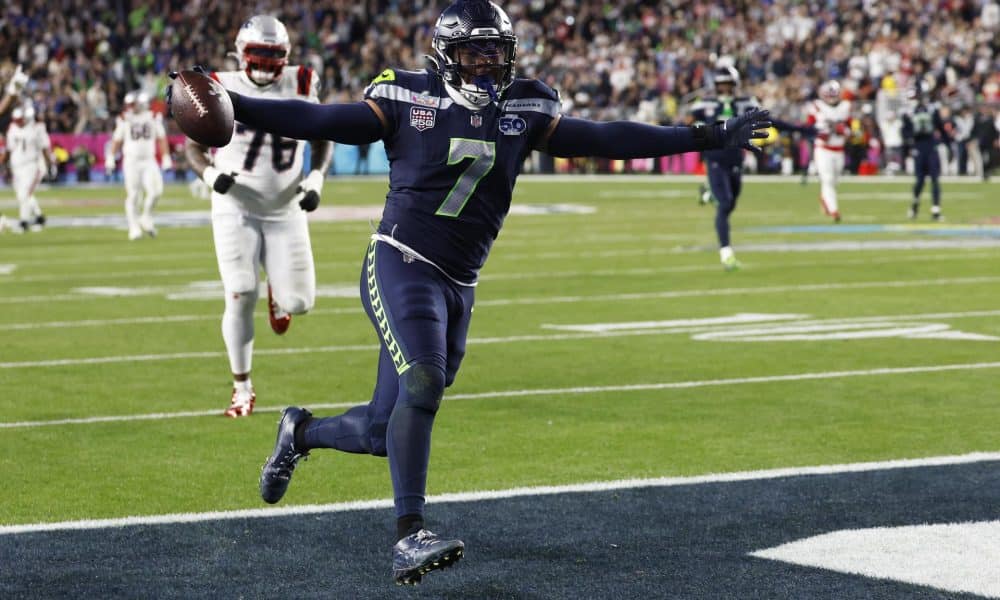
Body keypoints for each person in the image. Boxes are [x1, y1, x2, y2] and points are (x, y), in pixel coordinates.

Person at [170, 0, 770, 584]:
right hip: (401, 260)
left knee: (384, 430)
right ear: (446, 56)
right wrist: (238, 105)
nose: (485, 63)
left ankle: (299, 431)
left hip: (461, 281)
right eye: (473, 52)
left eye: (493, 52)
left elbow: (606, 137)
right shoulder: (407, 97)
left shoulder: (526, 106)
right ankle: (410, 534)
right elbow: (323, 121)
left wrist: (708, 136)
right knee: (423, 382)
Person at [183, 15, 332, 418]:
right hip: (236, 205)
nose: (266, 66)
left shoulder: (303, 81)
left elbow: (322, 137)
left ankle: (279, 294)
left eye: (273, 57)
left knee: (300, 303)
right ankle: (242, 387)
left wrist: (316, 177)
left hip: (285, 208)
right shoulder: (218, 84)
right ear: (240, 54)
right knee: (240, 290)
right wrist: (211, 175)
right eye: (258, 57)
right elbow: (192, 148)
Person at [692, 65, 807, 270]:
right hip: (715, 158)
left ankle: (709, 196)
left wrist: (797, 128)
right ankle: (726, 253)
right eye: (722, 85)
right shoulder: (705, 104)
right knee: (725, 204)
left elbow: (768, 120)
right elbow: (692, 128)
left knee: (731, 203)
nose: (725, 89)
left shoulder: (745, 103)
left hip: (736, 158)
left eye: (728, 85)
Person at [107, 92, 171, 239]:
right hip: (131, 161)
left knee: (156, 191)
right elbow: (117, 139)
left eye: (132, 105)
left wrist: (166, 157)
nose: (129, 108)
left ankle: (146, 216)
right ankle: (133, 226)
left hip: (149, 160)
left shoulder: (153, 117)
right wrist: (110, 157)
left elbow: (161, 138)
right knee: (133, 194)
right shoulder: (125, 119)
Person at [1, 106, 54, 233]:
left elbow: (44, 147)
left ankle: (24, 221)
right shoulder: (13, 129)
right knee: (22, 194)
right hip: (16, 166)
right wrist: (4, 164)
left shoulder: (36, 129)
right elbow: (9, 149)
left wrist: (49, 164)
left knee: (24, 193)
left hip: (31, 165)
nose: (18, 122)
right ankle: (39, 216)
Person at [806, 79, 852, 222]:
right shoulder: (816, 107)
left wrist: (843, 130)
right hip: (823, 149)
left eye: (834, 95)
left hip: (839, 149)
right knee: (827, 179)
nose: (832, 98)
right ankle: (834, 211)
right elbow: (808, 129)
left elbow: (850, 129)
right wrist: (820, 133)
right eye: (829, 95)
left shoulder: (845, 107)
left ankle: (825, 200)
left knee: (835, 181)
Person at [902, 82, 948, 220]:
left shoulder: (932, 109)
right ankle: (915, 205)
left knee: (935, 178)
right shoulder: (908, 113)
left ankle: (936, 210)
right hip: (918, 147)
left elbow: (939, 126)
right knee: (920, 181)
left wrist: (945, 143)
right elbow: (905, 132)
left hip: (930, 146)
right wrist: (909, 146)